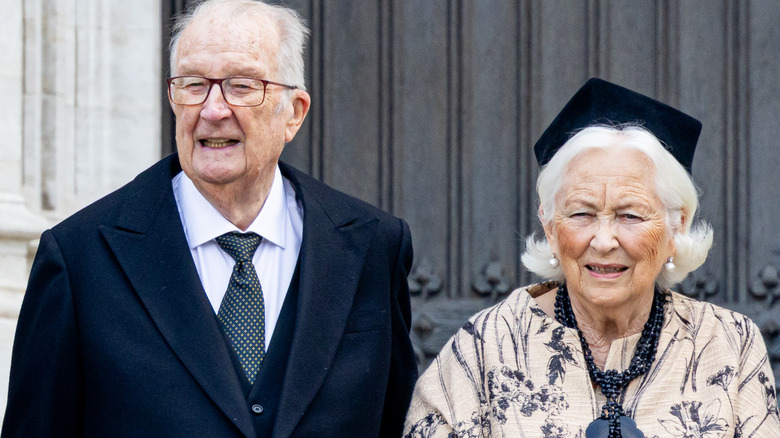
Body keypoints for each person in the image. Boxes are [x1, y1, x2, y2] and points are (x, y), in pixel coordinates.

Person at [2, 0, 417, 436]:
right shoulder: (79, 259)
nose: (213, 110)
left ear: (293, 113)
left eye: (240, 86)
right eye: (193, 84)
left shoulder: (373, 247)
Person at [403, 78, 779, 437]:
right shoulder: (485, 347)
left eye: (629, 215)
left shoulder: (728, 343)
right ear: (549, 226)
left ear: (676, 226)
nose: (602, 241)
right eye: (581, 214)